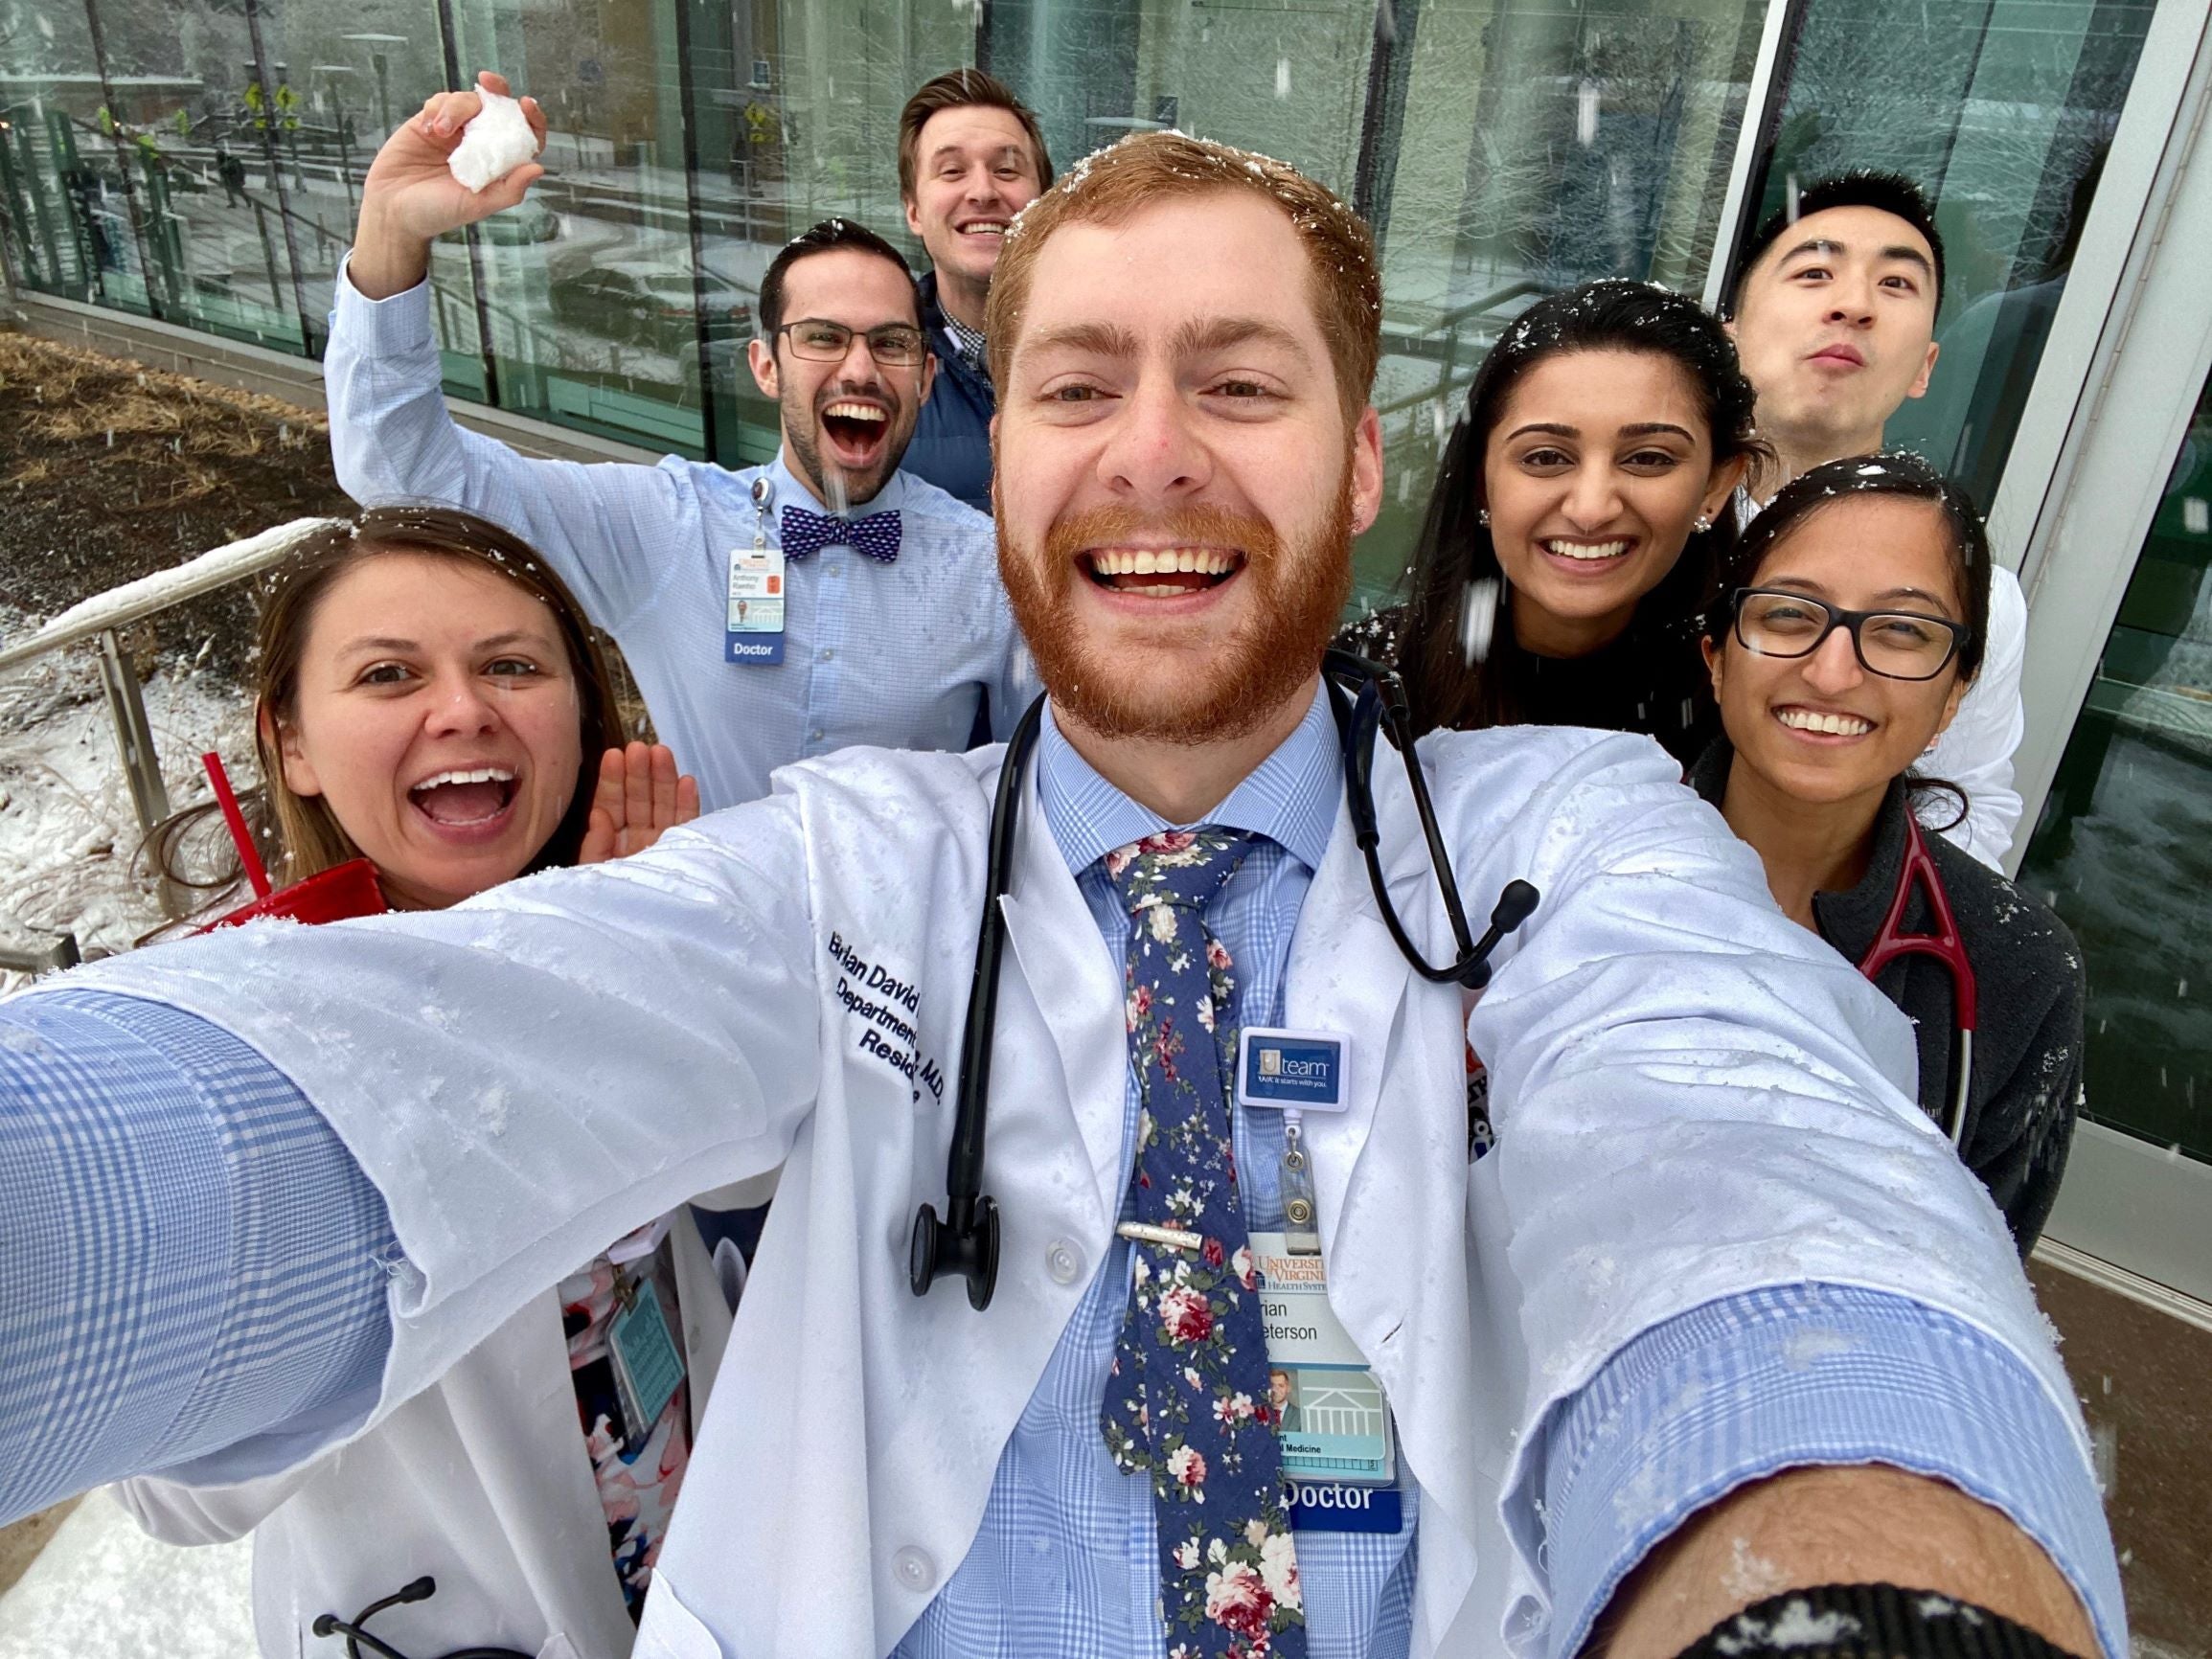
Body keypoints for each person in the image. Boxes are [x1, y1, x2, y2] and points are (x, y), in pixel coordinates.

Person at [1, 134, 2120, 1659]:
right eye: (1077, 385)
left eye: (1239, 383)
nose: (1152, 450)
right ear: (993, 445)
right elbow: (416, 1077)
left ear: (1364, 462)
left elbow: (1740, 1149)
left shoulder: (1556, 829)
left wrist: (1851, 1587)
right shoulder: (849, 863)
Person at [118, 508, 727, 1659]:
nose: (463, 708)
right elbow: (172, 1496)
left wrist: (652, 982)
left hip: (695, 1556)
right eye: (390, 673)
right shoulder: (219, 1050)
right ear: (290, 740)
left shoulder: (622, 928)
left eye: (511, 664)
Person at [330, 73, 1029, 812]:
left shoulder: (987, 569)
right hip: (714, 922)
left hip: (915, 924)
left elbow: (1033, 785)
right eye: (822, 337)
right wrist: (390, 231)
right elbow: (401, 473)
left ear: (922, 377)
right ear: (765, 366)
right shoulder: (667, 529)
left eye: (887, 343)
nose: (858, 368)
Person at [1691, 455, 2081, 1254]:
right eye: (1789, 613)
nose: (1832, 672)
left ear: (1953, 695)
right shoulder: (1562, 866)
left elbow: (1976, 1286)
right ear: (1717, 654)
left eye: (1903, 630)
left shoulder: (2021, 970)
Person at [1724, 171, 2027, 867]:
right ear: (1729, 339)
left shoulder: (1974, 600)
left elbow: (1970, 797)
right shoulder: (1638, 535)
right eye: (1813, 273)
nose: (1853, 305)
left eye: (1895, 284)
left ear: (1923, 368)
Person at [1364, 280, 1759, 763]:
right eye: (1546, 457)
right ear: (1480, 480)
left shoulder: (1751, 710)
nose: (1591, 509)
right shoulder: (1356, 688)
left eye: (1649, 459)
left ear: (1716, 486)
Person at [896, 68, 1053, 510]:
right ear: (914, 210)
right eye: (951, 171)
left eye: (1006, 169)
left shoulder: (1116, 345)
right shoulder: (881, 366)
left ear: (1045, 201)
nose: (983, 191)